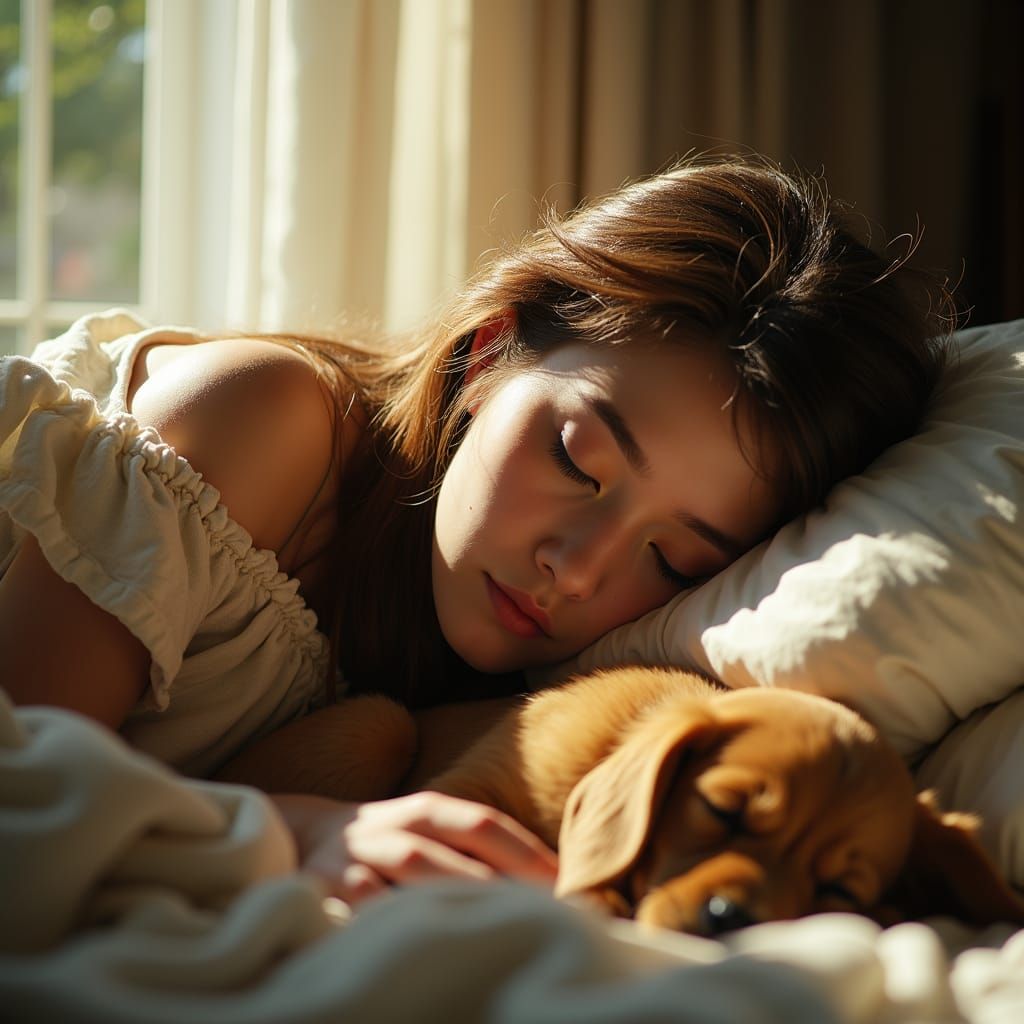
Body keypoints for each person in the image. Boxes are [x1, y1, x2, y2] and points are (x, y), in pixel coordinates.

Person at [0, 155, 952, 907]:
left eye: (673, 557)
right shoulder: (263, 420)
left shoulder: (536, 696)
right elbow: (22, 784)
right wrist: (295, 831)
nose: (574, 572)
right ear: (491, 349)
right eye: (577, 460)